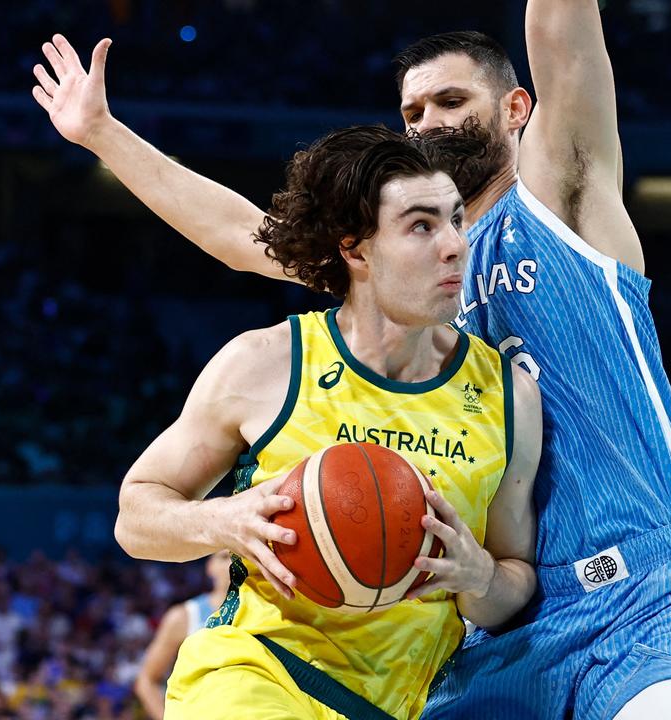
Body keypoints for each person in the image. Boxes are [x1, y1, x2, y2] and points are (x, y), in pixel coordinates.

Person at [32, 2, 671, 715]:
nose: (426, 122)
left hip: (635, 591)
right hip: (494, 616)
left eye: (451, 101)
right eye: (413, 110)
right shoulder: (408, 264)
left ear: (518, 108)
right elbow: (243, 235)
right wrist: (101, 135)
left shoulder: (562, 205)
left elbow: (562, 34)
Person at [111, 126, 543, 720]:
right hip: (255, 673)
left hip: (399, 703)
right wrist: (222, 520)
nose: (454, 246)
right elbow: (135, 516)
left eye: (456, 221)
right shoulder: (268, 364)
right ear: (356, 250)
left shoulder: (508, 395)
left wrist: (480, 576)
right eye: (421, 226)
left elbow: (513, 585)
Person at [133, 550, 230, 720]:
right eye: (224, 557)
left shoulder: (270, 612)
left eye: (240, 556)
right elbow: (146, 681)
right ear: (210, 566)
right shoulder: (185, 616)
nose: (232, 564)